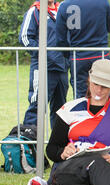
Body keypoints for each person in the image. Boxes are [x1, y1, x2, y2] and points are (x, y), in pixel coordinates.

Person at [19, 0, 69, 128]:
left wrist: (67, 59)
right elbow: (25, 38)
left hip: (62, 68)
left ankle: (57, 146)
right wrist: (44, 55)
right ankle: (30, 144)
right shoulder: (34, 11)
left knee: (61, 109)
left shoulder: (63, 9)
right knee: (37, 106)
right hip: (43, 68)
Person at [55, 0, 110, 100]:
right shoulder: (103, 2)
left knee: (81, 95)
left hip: (78, 57)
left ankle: (83, 114)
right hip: (100, 54)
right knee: (107, 91)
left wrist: (69, 55)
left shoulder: (64, 5)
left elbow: (60, 39)